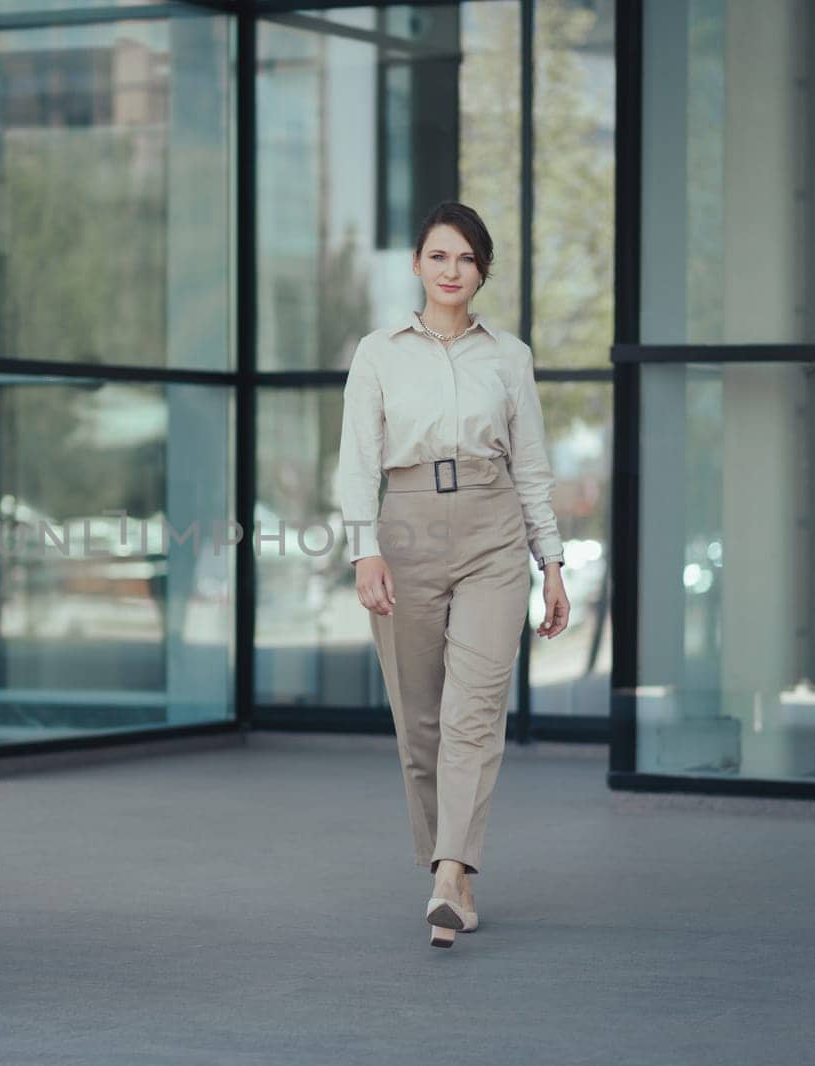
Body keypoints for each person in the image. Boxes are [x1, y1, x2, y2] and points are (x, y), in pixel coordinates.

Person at [334, 201, 570, 949]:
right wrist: (363, 547)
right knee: (421, 722)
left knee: (474, 710)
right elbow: (357, 461)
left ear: (483, 272)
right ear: (416, 265)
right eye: (439, 256)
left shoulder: (510, 356)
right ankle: (453, 872)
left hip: (493, 532)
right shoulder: (378, 353)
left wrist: (552, 562)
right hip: (403, 527)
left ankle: (449, 872)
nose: (451, 271)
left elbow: (531, 464)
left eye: (466, 259)